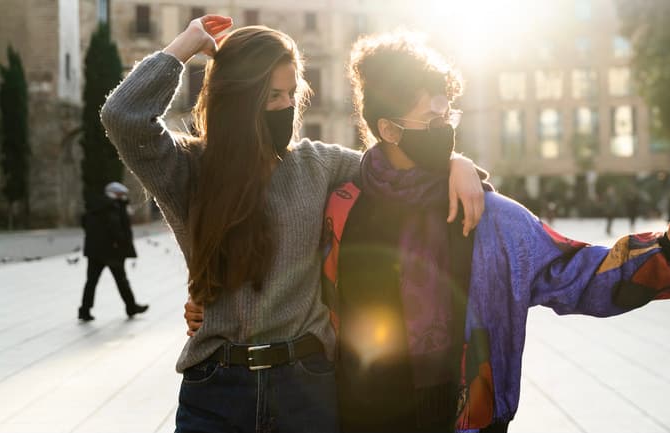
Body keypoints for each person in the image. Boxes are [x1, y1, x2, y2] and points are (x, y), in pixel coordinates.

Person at [187, 32, 670, 432]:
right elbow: (287, 269)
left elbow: (574, 270)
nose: (446, 126)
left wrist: (665, 252)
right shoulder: (340, 205)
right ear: (389, 129)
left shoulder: (490, 215)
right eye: (431, 118)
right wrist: (208, 308)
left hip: (463, 415)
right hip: (357, 416)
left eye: (448, 113)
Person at [101, 15, 487, 433]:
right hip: (216, 388)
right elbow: (123, 117)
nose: (287, 105)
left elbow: (393, 168)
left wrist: (454, 162)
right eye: (272, 96)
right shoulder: (188, 171)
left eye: (291, 93)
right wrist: (183, 48)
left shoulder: (316, 164)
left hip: (305, 387)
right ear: (239, 99)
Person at [78, 182, 148, 321]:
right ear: (117, 194)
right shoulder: (112, 206)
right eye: (122, 194)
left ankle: (84, 310)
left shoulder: (95, 205)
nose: (123, 197)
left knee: (91, 282)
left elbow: (84, 222)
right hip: (112, 251)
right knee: (122, 280)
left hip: (94, 251)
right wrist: (122, 244)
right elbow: (115, 227)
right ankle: (131, 307)